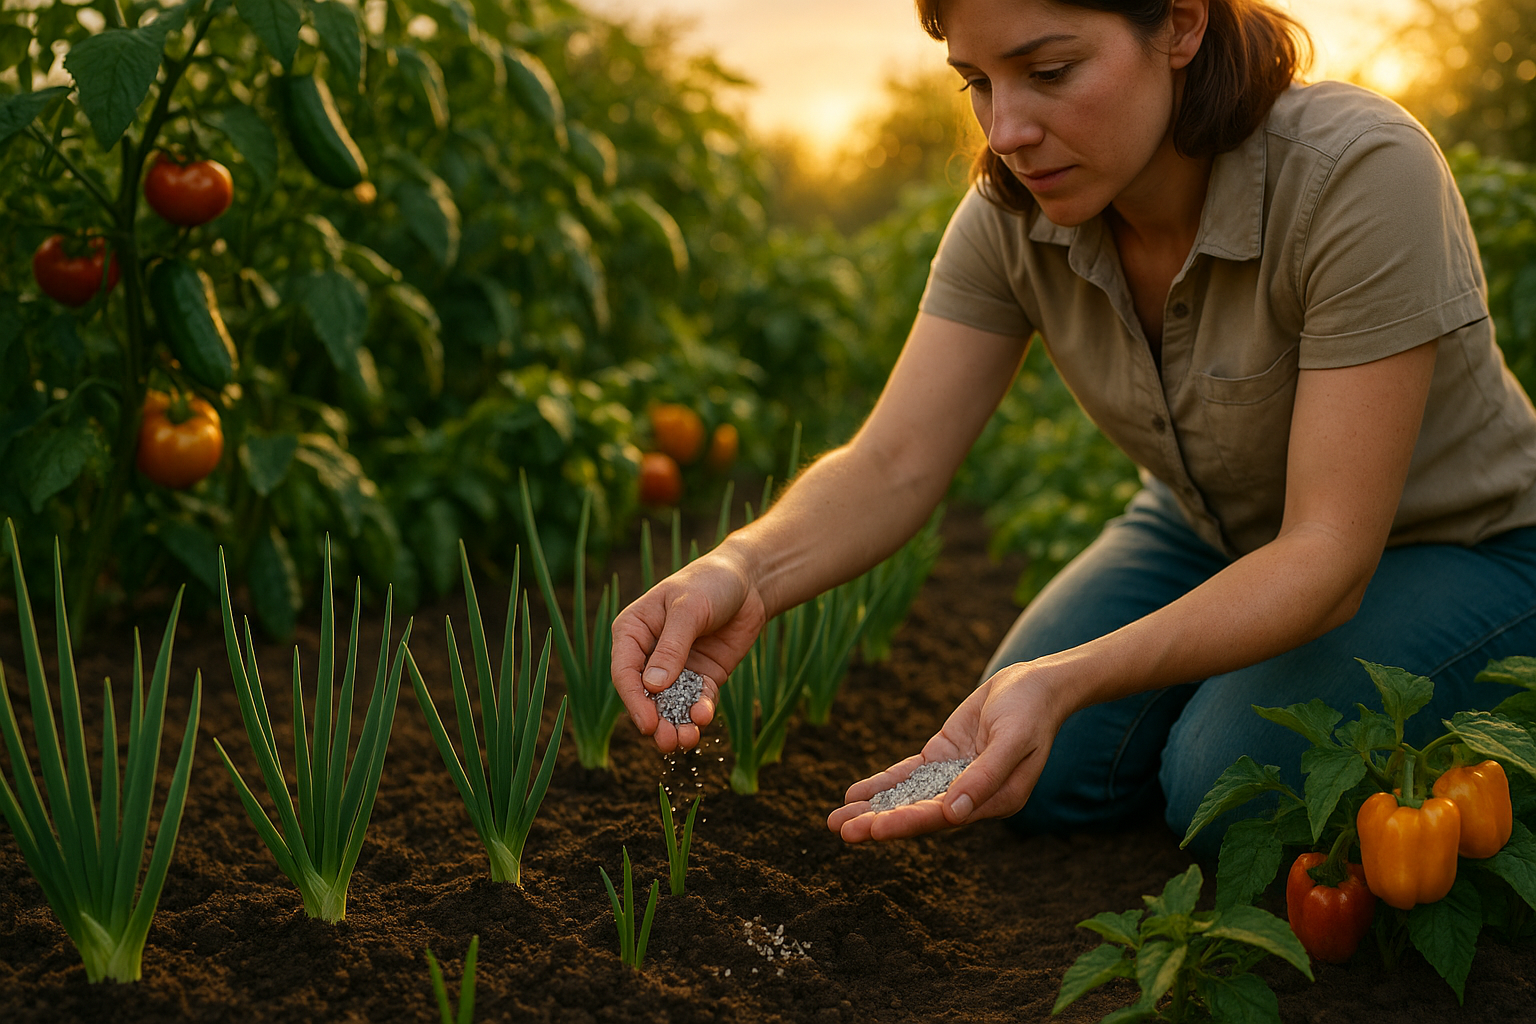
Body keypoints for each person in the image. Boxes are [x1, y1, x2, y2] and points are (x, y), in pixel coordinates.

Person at [610, 0, 1536, 860]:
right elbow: (891, 462)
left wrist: (1067, 677)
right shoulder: (1013, 216)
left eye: (1048, 72)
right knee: (1032, 768)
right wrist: (741, 570)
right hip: (1204, 531)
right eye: (975, 81)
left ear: (1179, 22)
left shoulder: (1358, 175)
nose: (1005, 130)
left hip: (1462, 542)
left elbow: (1329, 552)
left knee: (1228, 784)